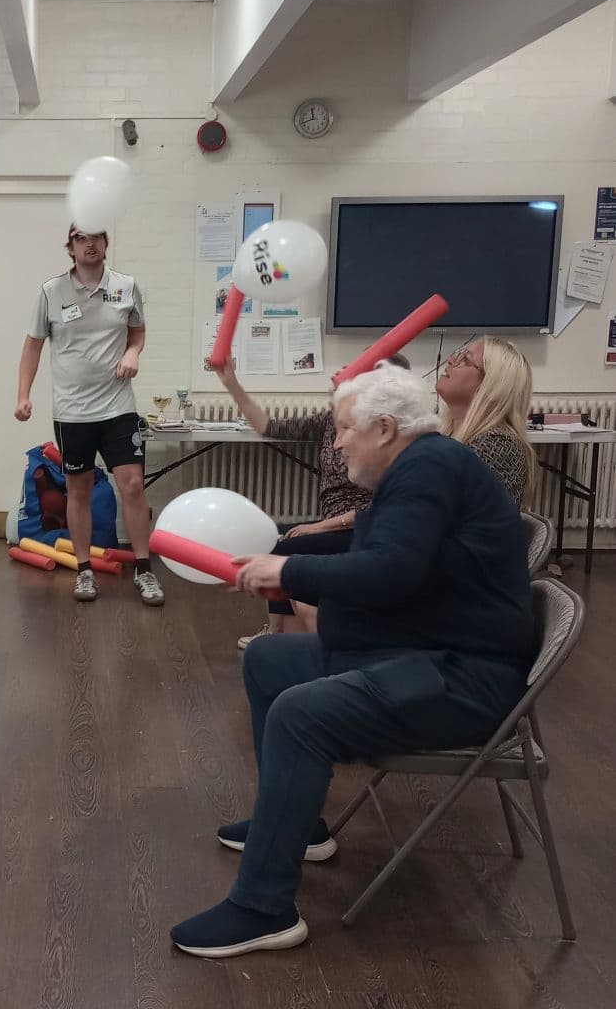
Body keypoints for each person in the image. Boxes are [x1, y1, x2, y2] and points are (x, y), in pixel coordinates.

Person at [170, 363, 534, 959]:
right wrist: (272, 554)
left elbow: (391, 569)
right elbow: (372, 544)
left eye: (344, 430)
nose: (337, 444)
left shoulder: (429, 469)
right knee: (269, 659)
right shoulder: (424, 466)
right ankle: (297, 827)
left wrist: (284, 569)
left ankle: (262, 908)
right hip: (430, 654)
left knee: (299, 713)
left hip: (461, 680)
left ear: (385, 428)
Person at [213, 354, 410, 646]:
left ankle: (284, 636)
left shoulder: (387, 432)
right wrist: (231, 383)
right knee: (285, 543)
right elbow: (271, 427)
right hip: (335, 522)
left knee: (287, 547)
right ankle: (280, 633)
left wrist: (320, 526)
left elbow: (381, 508)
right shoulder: (332, 420)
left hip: (361, 526)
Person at [15, 224, 163, 607]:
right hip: (73, 411)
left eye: (97, 236)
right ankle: (84, 570)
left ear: (106, 243)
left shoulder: (126, 286)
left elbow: (138, 332)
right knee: (78, 488)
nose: (90, 244)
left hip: (118, 406)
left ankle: (145, 571)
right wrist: (23, 395)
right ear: (71, 247)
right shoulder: (52, 292)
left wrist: (133, 353)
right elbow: (33, 346)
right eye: (82, 237)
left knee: (131, 484)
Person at [436, 336, 535, 505]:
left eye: (465, 359)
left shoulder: (497, 445)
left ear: (489, 385)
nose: (451, 360)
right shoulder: (447, 437)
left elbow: (432, 511)